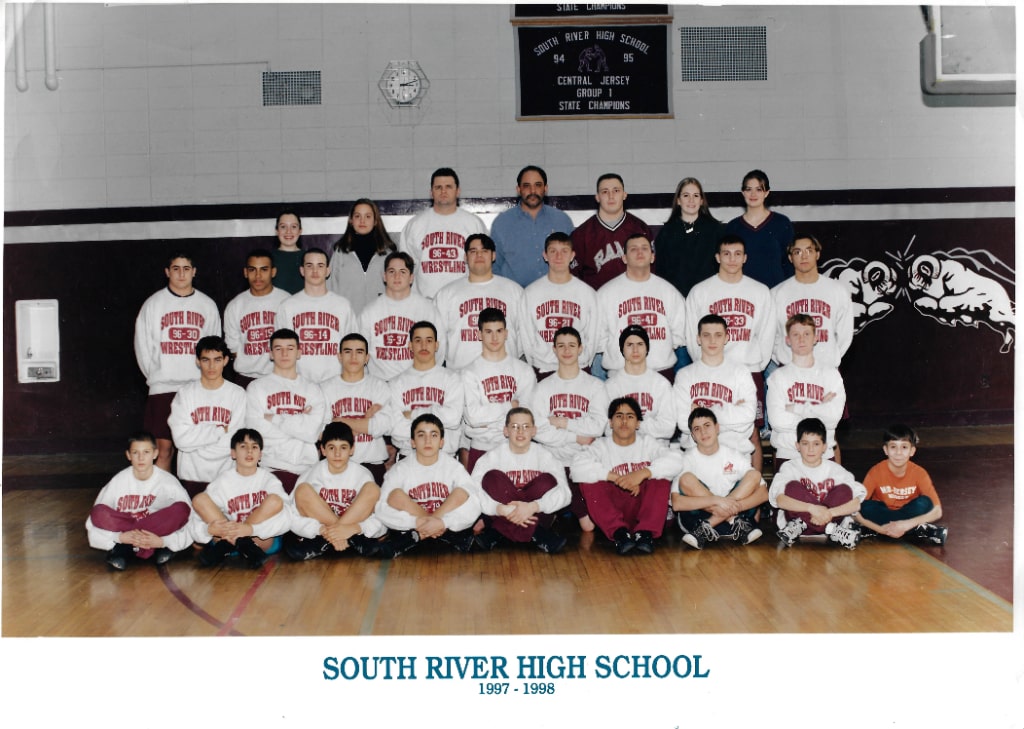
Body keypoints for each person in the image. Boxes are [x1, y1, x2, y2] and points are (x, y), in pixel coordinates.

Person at [685, 234, 775, 470]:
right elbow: (692, 336)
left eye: (737, 254)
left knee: (752, 433)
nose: (732, 259)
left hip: (748, 369)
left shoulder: (760, 291)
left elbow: (766, 335)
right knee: (709, 429)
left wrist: (755, 365)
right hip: (711, 370)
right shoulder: (700, 291)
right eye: (726, 254)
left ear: (745, 258)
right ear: (717, 257)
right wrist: (707, 366)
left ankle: (755, 486)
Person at [134, 252, 222, 472]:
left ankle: (195, 490)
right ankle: (164, 492)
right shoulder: (153, 304)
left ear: (194, 272)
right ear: (167, 272)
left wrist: (206, 381)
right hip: (163, 387)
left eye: (186, 269)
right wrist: (158, 375)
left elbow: (214, 346)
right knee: (163, 449)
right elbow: (143, 347)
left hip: (196, 387)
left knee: (197, 447)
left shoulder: (207, 305)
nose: (181, 274)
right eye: (176, 269)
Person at [570, 397, 684, 556]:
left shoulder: (647, 443)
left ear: (638, 423)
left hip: (641, 506)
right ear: (610, 422)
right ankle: (620, 534)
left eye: (630, 416)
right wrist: (617, 478)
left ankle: (645, 534)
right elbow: (576, 467)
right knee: (588, 480)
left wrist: (642, 473)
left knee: (661, 477)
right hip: (614, 508)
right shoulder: (601, 445)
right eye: (619, 416)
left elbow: (677, 460)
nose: (624, 421)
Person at [529, 326, 608, 533]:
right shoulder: (543, 387)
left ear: (580, 349)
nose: (566, 350)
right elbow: (539, 430)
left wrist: (563, 422)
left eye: (572, 345)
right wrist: (576, 438)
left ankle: (569, 506)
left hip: (583, 462)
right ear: (554, 349)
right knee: (538, 525)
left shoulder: (595, 385)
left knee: (589, 526)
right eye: (561, 346)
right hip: (554, 463)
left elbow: (598, 426)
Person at [374, 413, 481, 557]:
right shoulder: (399, 469)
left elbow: (474, 503)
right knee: (395, 495)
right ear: (413, 442)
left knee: (462, 492)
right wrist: (416, 522)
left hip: (438, 531)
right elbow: (381, 508)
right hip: (415, 530)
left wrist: (443, 523)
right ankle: (431, 532)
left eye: (434, 435)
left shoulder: (454, 467)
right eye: (421, 435)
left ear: (441, 442)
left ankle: (426, 533)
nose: (427, 440)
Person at [433, 233, 544, 370]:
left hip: (504, 373)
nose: (479, 255)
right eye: (473, 251)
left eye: (484, 251)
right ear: (465, 257)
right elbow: (437, 339)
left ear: (493, 256)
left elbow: (525, 336)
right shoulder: (446, 294)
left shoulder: (514, 291)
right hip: (461, 374)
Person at [85, 431, 193, 570]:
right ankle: (146, 548)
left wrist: (163, 541)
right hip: (126, 528)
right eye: (135, 453)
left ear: (155, 454)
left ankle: (127, 549)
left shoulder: (168, 481)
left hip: (157, 531)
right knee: (98, 512)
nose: (141, 458)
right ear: (128, 455)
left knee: (182, 509)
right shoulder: (118, 480)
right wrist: (119, 537)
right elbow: (94, 520)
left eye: (146, 452)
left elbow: (190, 519)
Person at [471, 408, 572, 554]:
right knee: (492, 478)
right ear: (506, 431)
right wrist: (498, 509)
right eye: (514, 426)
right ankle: (538, 534)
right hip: (506, 513)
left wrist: (533, 507)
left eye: (526, 426)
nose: (520, 431)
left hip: (535, 514)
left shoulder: (546, 456)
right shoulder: (491, 457)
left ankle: (498, 532)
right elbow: (473, 491)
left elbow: (565, 494)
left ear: (534, 431)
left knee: (548, 480)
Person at [190, 428, 291, 568]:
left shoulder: (269, 480)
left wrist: (249, 529)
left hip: (259, 540)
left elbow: (287, 517)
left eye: (254, 447)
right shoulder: (223, 481)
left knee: (275, 501)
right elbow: (197, 517)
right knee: (199, 499)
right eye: (243, 446)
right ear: (233, 453)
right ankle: (239, 543)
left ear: (260, 454)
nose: (249, 451)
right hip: (228, 537)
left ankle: (235, 544)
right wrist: (207, 530)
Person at [285, 422, 387, 560]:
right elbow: (291, 515)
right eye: (331, 447)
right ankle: (342, 539)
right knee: (302, 490)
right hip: (323, 534)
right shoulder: (310, 475)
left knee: (372, 489)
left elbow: (382, 516)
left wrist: (357, 528)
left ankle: (336, 538)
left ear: (352, 449)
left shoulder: (363, 475)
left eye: (343, 447)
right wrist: (319, 530)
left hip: (350, 531)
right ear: (323, 450)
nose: (337, 453)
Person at [654, 177, 725, 370]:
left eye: (696, 195)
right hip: (679, 311)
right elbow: (661, 275)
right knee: (683, 367)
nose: (691, 200)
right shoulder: (666, 233)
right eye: (686, 195)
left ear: (702, 200)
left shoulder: (716, 231)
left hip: (708, 306)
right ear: (678, 200)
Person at [244, 328, 327, 494]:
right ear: (270, 354)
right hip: (270, 467)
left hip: (308, 469)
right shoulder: (256, 387)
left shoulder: (313, 389)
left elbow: (313, 432)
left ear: (299, 353)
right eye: (278, 348)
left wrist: (274, 419)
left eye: (290, 348)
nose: (284, 353)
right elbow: (257, 431)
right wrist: (300, 421)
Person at [673, 408, 767, 549]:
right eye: (697, 429)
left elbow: (764, 494)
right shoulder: (686, 459)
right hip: (698, 519)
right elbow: (677, 503)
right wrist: (717, 501)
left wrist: (732, 507)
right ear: (692, 436)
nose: (703, 432)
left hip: (720, 525)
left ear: (717, 428)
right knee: (686, 479)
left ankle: (707, 527)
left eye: (707, 425)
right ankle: (732, 520)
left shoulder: (734, 454)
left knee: (754, 475)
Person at [594, 233, 686, 378]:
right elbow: (599, 338)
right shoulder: (606, 293)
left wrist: (659, 353)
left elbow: (679, 333)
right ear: (624, 258)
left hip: (660, 373)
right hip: (620, 375)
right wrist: (617, 354)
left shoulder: (669, 291)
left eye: (644, 248)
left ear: (652, 257)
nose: (639, 252)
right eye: (633, 249)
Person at [167, 336, 248, 497]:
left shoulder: (238, 394)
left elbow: (235, 441)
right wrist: (219, 431)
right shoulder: (185, 394)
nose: (211, 366)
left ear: (226, 360)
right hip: (191, 477)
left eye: (217, 360)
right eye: (206, 360)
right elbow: (181, 440)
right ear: (198, 361)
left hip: (226, 477)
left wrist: (198, 444)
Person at [769, 417, 865, 549]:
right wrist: (811, 508)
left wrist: (830, 513)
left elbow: (856, 504)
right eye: (805, 444)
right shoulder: (789, 467)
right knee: (791, 487)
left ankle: (825, 527)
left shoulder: (835, 469)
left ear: (824, 447)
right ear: (797, 446)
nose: (810, 449)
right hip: (799, 528)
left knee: (845, 490)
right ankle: (831, 529)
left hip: (825, 520)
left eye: (816, 444)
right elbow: (780, 501)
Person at [461, 307, 537, 472]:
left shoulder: (523, 370)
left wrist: (487, 423)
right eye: (488, 332)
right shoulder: (469, 373)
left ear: (506, 333)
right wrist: (510, 406)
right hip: (481, 449)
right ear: (479, 334)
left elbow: (527, 416)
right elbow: (473, 417)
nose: (494, 337)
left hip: (515, 449)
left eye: (499, 331)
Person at [767, 314, 846, 466]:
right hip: (789, 455)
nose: (801, 339)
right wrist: (819, 408)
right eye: (796, 334)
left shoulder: (831, 375)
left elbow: (833, 419)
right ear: (787, 340)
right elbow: (777, 421)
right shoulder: (778, 377)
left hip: (824, 455)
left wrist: (796, 408)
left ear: (816, 338)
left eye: (807, 334)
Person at [673, 314, 757, 458]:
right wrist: (731, 414)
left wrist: (701, 413)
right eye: (706, 335)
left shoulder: (741, 372)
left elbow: (748, 415)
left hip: (734, 454)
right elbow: (682, 422)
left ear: (726, 338)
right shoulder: (684, 375)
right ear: (698, 339)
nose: (712, 340)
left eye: (718, 335)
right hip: (696, 455)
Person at [399, 167, 488, 299]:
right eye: (438, 187)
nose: (443, 191)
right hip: (425, 302)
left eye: (448, 187)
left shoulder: (474, 224)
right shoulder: (414, 225)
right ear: (431, 192)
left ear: (458, 191)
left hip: (464, 300)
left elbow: (484, 267)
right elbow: (404, 269)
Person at [318, 332, 394, 484]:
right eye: (348, 351)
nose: (353, 357)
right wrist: (366, 421)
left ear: (367, 358)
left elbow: (384, 426)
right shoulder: (324, 388)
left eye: (359, 352)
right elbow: (321, 432)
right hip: (335, 465)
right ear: (339, 356)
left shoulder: (379, 386)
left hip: (372, 463)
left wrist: (339, 421)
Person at [770, 233, 854, 369]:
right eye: (797, 252)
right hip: (790, 370)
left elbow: (845, 335)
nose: (804, 256)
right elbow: (770, 337)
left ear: (817, 254)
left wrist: (830, 360)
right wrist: (785, 359)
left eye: (809, 251)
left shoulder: (837, 290)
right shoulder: (776, 294)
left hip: (826, 369)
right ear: (790, 258)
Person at [359, 251, 446, 382]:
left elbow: (440, 349)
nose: (397, 276)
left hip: (416, 383)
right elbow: (359, 352)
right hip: (381, 383)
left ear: (411, 278)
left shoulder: (427, 309)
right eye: (391, 271)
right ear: (384, 276)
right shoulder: (369, 312)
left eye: (403, 272)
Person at [276, 247, 358, 383]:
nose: (315, 271)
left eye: (320, 266)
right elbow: (280, 349)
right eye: (309, 266)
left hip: (336, 382)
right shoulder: (287, 306)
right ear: (302, 270)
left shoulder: (343, 305)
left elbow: (353, 346)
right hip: (299, 382)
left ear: (328, 271)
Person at [854, 425, 948, 545]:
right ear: (886, 450)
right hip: (883, 513)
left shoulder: (920, 473)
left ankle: (871, 530)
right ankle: (919, 530)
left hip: (907, 515)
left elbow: (937, 511)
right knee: (865, 506)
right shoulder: (875, 472)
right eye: (893, 447)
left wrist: (906, 524)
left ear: (912, 451)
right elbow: (854, 509)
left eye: (904, 447)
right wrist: (881, 529)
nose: (898, 453)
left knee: (925, 502)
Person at [387, 321, 465, 461]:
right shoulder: (395, 384)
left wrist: (414, 414)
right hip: (408, 457)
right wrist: (438, 425)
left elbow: (453, 418)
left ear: (436, 345)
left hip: (445, 457)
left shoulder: (452, 379)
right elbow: (396, 429)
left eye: (429, 341)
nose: (424, 346)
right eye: (418, 341)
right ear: (410, 345)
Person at [523, 232, 599, 374]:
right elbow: (526, 336)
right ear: (545, 255)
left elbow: (593, 335)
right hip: (543, 368)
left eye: (564, 251)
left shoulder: (587, 293)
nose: (558, 257)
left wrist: (583, 361)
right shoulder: (531, 293)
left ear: (572, 255)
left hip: (578, 368)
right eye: (553, 251)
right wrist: (536, 362)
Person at [490, 165, 574, 287]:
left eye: (538, 185)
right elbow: (494, 267)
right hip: (515, 295)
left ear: (545, 188)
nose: (533, 191)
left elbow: (573, 263)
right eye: (526, 186)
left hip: (556, 293)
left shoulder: (562, 220)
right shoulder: (502, 223)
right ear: (518, 189)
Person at [570, 173, 652, 290]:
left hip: (634, 298)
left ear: (624, 195)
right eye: (605, 192)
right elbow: (572, 280)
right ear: (597, 197)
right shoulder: (581, 235)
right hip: (597, 300)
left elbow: (653, 273)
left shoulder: (641, 229)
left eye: (616, 191)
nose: (611, 196)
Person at [223, 249, 291, 387]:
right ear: (245, 272)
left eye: (264, 269)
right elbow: (233, 347)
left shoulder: (287, 301)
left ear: (273, 272)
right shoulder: (235, 305)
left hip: (279, 376)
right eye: (252, 270)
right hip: (246, 378)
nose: (258, 275)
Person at [603, 325, 677, 445]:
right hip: (623, 450)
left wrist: (632, 425)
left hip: (655, 450)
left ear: (647, 348)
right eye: (629, 345)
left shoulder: (661, 384)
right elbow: (608, 429)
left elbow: (668, 428)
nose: (635, 350)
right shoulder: (610, 386)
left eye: (640, 344)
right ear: (622, 349)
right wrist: (649, 425)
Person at [724, 169, 794, 288]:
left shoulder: (781, 223)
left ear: (766, 193)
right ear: (743, 192)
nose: (753, 194)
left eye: (759, 189)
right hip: (742, 293)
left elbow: (790, 264)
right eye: (748, 189)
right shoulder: (733, 227)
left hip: (775, 293)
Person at [327, 198, 396, 314]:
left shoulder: (388, 253)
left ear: (375, 221)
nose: (362, 220)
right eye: (357, 216)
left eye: (368, 216)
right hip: (348, 319)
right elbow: (330, 289)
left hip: (381, 318)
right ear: (351, 220)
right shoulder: (340, 252)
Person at [272, 210, 306, 294]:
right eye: (283, 227)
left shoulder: (308, 258)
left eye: (293, 227)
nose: (288, 231)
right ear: (277, 231)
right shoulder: (268, 258)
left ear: (300, 231)